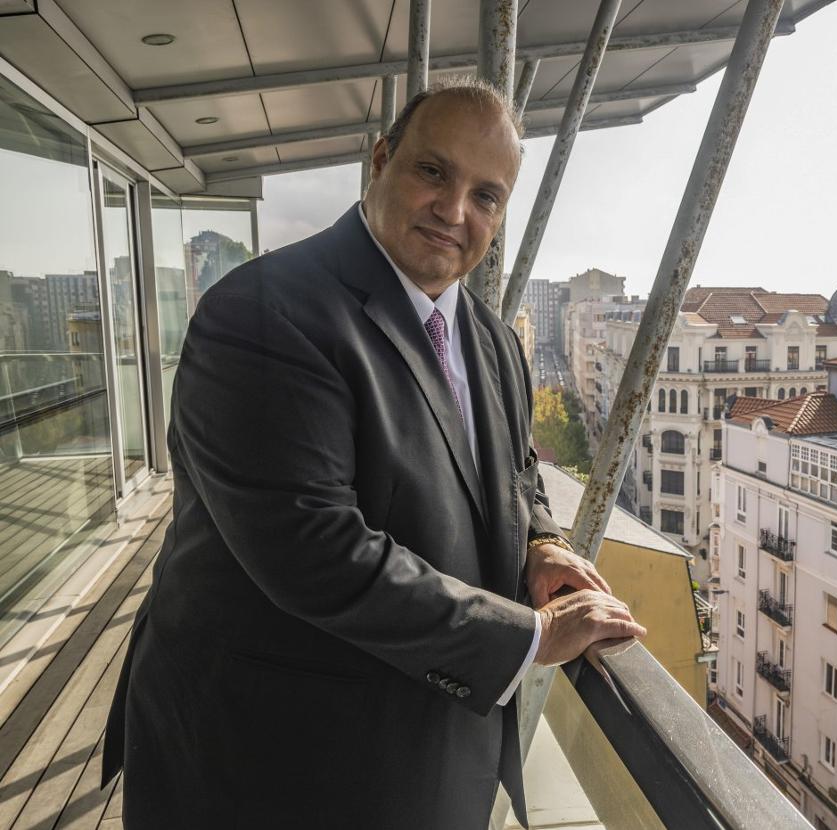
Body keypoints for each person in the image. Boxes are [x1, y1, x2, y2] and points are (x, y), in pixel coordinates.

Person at [101, 78, 646, 830]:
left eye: (486, 196)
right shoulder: (263, 315)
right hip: (265, 766)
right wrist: (535, 636)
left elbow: (513, 464)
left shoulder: (488, 338)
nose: (455, 212)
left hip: (419, 758)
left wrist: (542, 540)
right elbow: (313, 550)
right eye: (433, 172)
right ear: (381, 159)